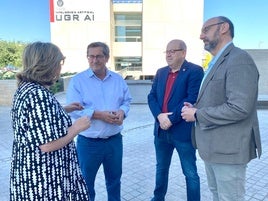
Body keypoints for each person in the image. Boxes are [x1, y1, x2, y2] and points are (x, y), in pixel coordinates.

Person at [181, 16, 262, 201]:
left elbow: (240, 107)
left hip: (229, 151)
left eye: (206, 30)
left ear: (223, 28)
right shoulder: (216, 62)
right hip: (213, 149)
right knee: (218, 195)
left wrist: (197, 114)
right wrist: (195, 107)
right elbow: (218, 99)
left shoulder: (239, 59)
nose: (201, 36)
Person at [10, 42, 91, 201]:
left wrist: (64, 109)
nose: (60, 68)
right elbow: (47, 145)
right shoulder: (38, 95)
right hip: (45, 179)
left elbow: (37, 123)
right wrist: (76, 128)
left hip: (30, 173)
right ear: (47, 64)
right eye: (59, 62)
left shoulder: (27, 88)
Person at [66, 41, 132, 201]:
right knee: (86, 184)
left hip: (114, 142)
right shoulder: (78, 81)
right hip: (88, 144)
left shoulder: (118, 79)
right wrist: (99, 115)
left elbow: (127, 100)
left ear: (107, 57)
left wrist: (123, 112)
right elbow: (74, 110)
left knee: (114, 182)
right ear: (87, 57)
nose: (94, 60)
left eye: (99, 56)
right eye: (91, 56)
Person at [147, 39, 204, 201]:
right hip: (161, 131)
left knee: (190, 172)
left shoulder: (194, 71)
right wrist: (159, 116)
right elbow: (151, 97)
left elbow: (191, 98)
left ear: (183, 53)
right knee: (161, 168)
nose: (169, 54)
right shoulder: (161, 72)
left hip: (182, 132)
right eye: (167, 51)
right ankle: (158, 198)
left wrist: (171, 119)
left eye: (173, 51)